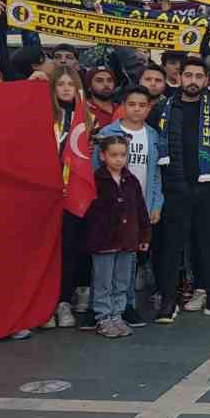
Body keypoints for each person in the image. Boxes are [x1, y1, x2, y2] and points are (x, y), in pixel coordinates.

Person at [158, 56, 210, 320]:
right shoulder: (163, 109)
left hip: (209, 189)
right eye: (188, 75)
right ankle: (168, 299)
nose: (193, 81)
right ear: (179, 77)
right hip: (174, 188)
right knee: (172, 247)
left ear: (208, 79)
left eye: (199, 76)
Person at [94, 87, 164, 327]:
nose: (136, 109)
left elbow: (155, 174)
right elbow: (95, 171)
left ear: (148, 108)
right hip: (109, 210)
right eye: (131, 104)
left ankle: (126, 306)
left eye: (142, 105)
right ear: (123, 105)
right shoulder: (108, 133)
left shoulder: (153, 135)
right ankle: (103, 311)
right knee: (105, 265)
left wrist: (156, 203)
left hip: (139, 207)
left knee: (129, 261)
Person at [84, 135, 152, 338]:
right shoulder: (96, 181)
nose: (119, 159)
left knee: (122, 281)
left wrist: (144, 236)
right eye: (113, 155)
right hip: (103, 241)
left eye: (123, 155)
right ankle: (103, 317)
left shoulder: (131, 181)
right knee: (103, 281)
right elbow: (88, 212)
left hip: (127, 241)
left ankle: (117, 315)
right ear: (103, 156)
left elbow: (140, 210)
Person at [48, 67, 87, 329]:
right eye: (60, 84)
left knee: (70, 249)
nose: (65, 88)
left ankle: (63, 301)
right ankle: (45, 304)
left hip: (73, 193)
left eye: (70, 84)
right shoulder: (43, 115)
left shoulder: (85, 118)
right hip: (45, 193)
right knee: (46, 251)